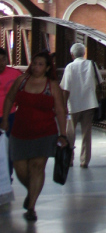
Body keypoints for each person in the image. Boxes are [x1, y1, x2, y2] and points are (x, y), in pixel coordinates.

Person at [1, 50, 68, 221]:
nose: (36, 67)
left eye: (40, 64)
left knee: (37, 167)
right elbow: (9, 99)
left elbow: (60, 111)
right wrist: (5, 119)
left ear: (46, 68)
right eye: (34, 63)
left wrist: (63, 134)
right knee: (20, 168)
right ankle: (32, 193)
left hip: (45, 132)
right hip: (20, 131)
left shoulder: (52, 86)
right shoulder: (21, 81)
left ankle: (31, 207)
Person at [60, 42, 103, 169]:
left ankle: (69, 160)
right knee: (86, 133)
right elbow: (100, 82)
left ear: (72, 54)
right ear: (84, 53)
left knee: (70, 134)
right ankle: (84, 161)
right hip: (89, 103)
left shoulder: (70, 67)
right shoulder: (92, 64)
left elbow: (65, 88)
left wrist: (63, 106)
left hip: (73, 104)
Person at [0, 46, 22, 179]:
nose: (1, 63)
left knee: (8, 148)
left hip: (10, 116)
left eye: (3, 60)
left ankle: (7, 177)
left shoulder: (15, 74)